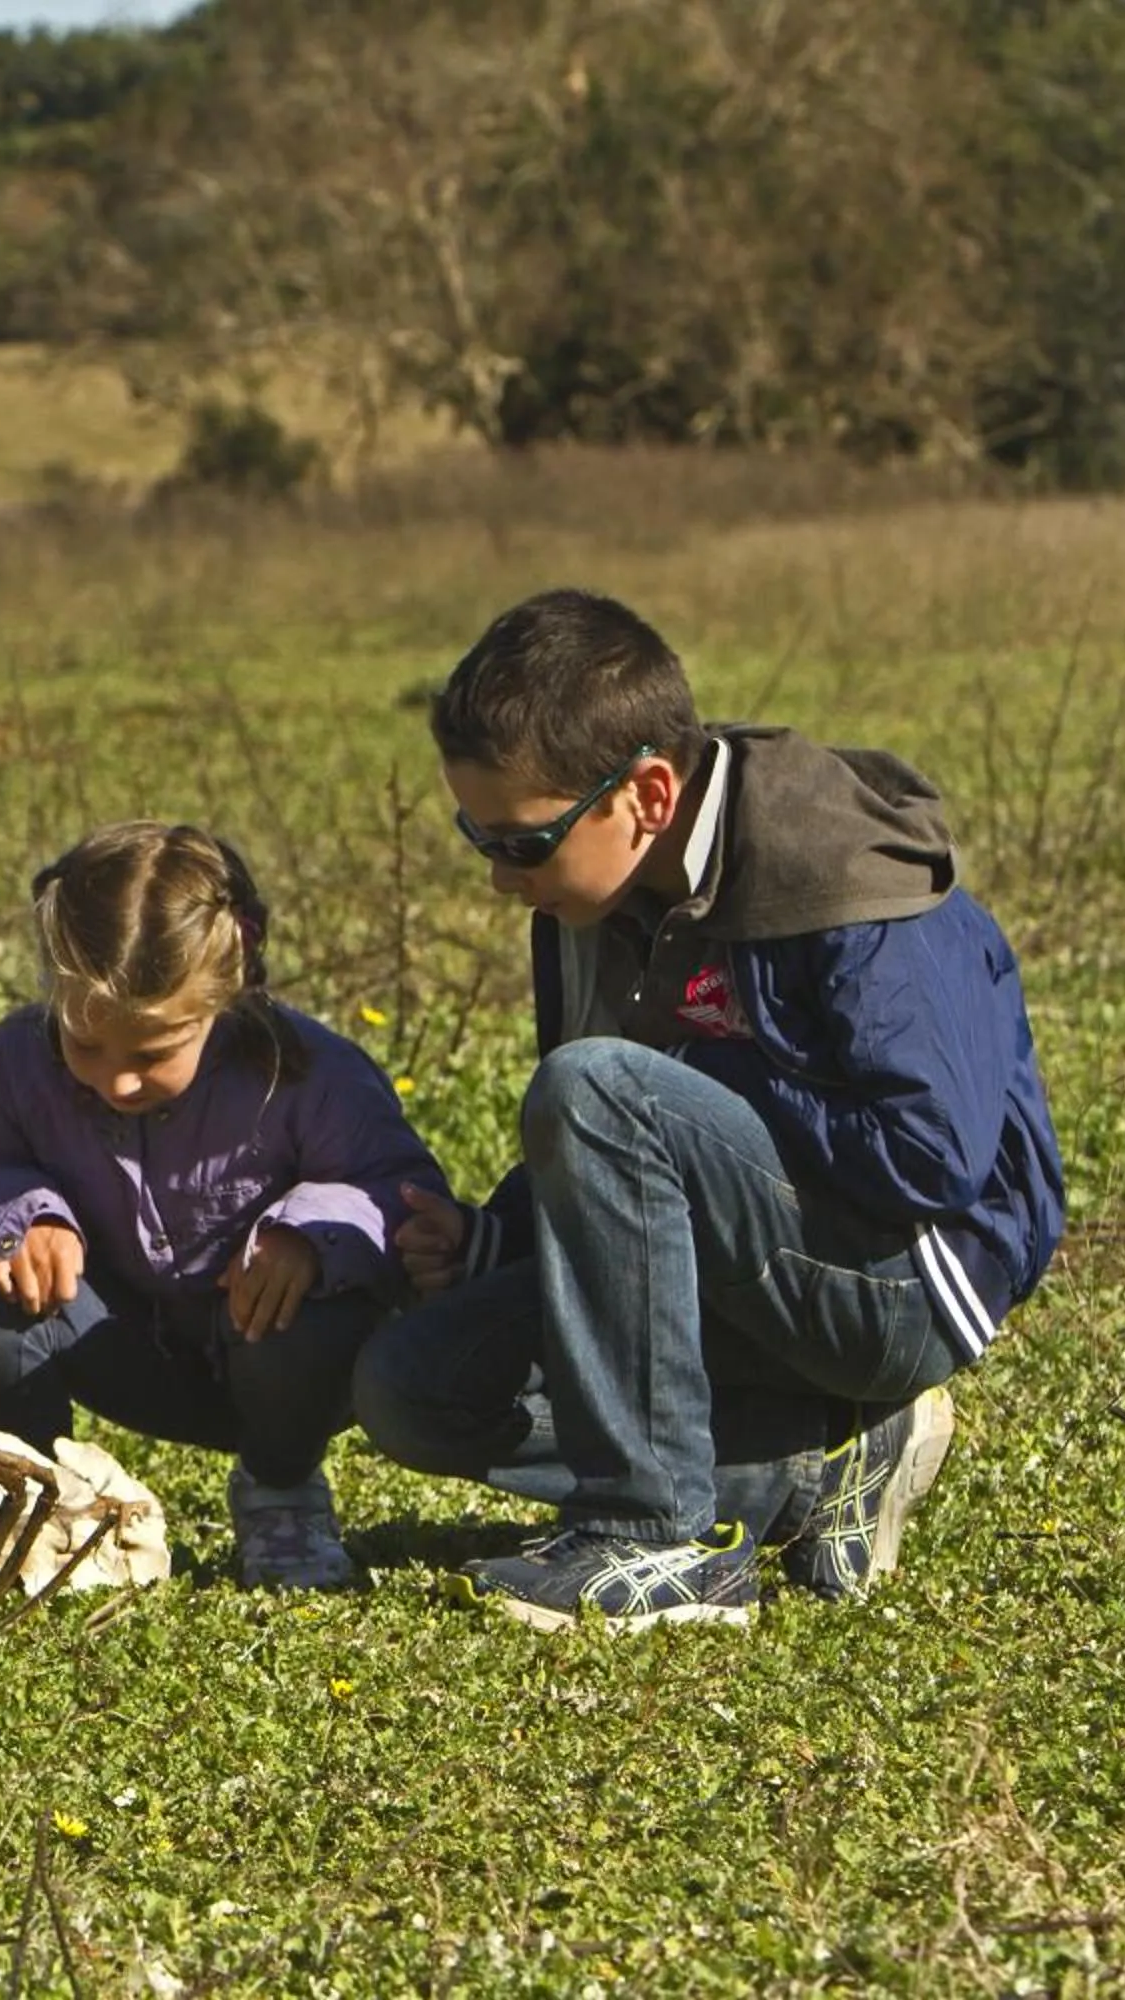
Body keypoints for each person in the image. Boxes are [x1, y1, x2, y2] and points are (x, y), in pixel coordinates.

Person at [355, 589, 1063, 1631]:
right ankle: (820, 1471)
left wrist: (699, 1070)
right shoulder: (594, 884)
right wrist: (493, 1235)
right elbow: (626, 1139)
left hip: (906, 1280)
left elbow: (929, 1156)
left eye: (521, 841)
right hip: (740, 1271)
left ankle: (655, 1543)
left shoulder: (841, 869)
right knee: (411, 1385)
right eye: (479, 838)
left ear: (643, 792)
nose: (505, 880)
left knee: (599, 1084)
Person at [0, 822, 447, 1590]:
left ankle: (281, 1489)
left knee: (320, 1298)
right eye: (86, 1044)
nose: (116, 1081)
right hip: (121, 1347)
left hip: (284, 1361)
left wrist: (312, 1237)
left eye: (152, 1052)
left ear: (223, 1001)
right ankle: (31, 1509)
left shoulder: (306, 1072)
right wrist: (19, 1218)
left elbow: (399, 1194)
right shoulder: (20, 1063)